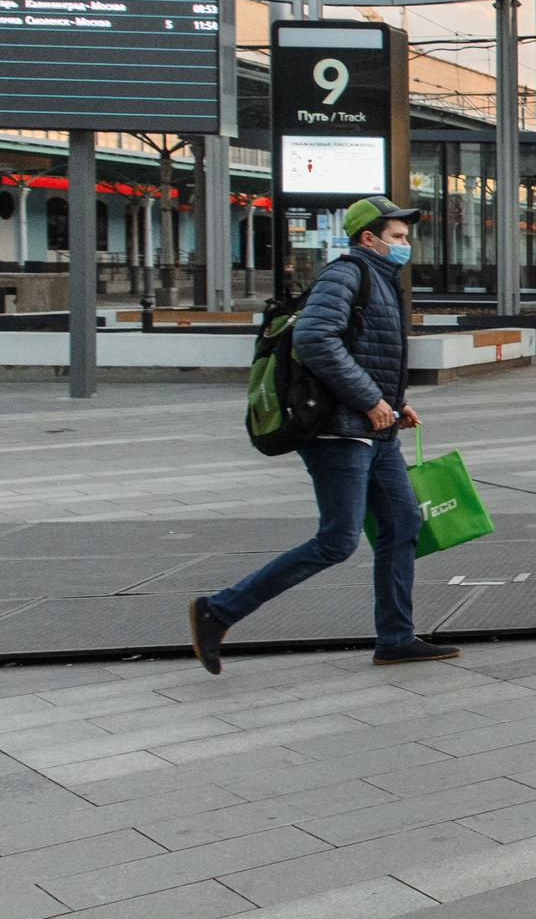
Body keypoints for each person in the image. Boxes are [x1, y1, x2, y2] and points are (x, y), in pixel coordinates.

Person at [187, 196, 449, 673]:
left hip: (375, 432)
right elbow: (314, 339)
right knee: (338, 539)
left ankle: (395, 637)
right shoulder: (346, 273)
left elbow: (362, 348)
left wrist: (395, 400)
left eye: (406, 237)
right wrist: (371, 400)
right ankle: (219, 610)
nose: (406, 245)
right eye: (397, 237)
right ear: (368, 238)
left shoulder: (380, 279)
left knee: (402, 525)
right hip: (338, 432)